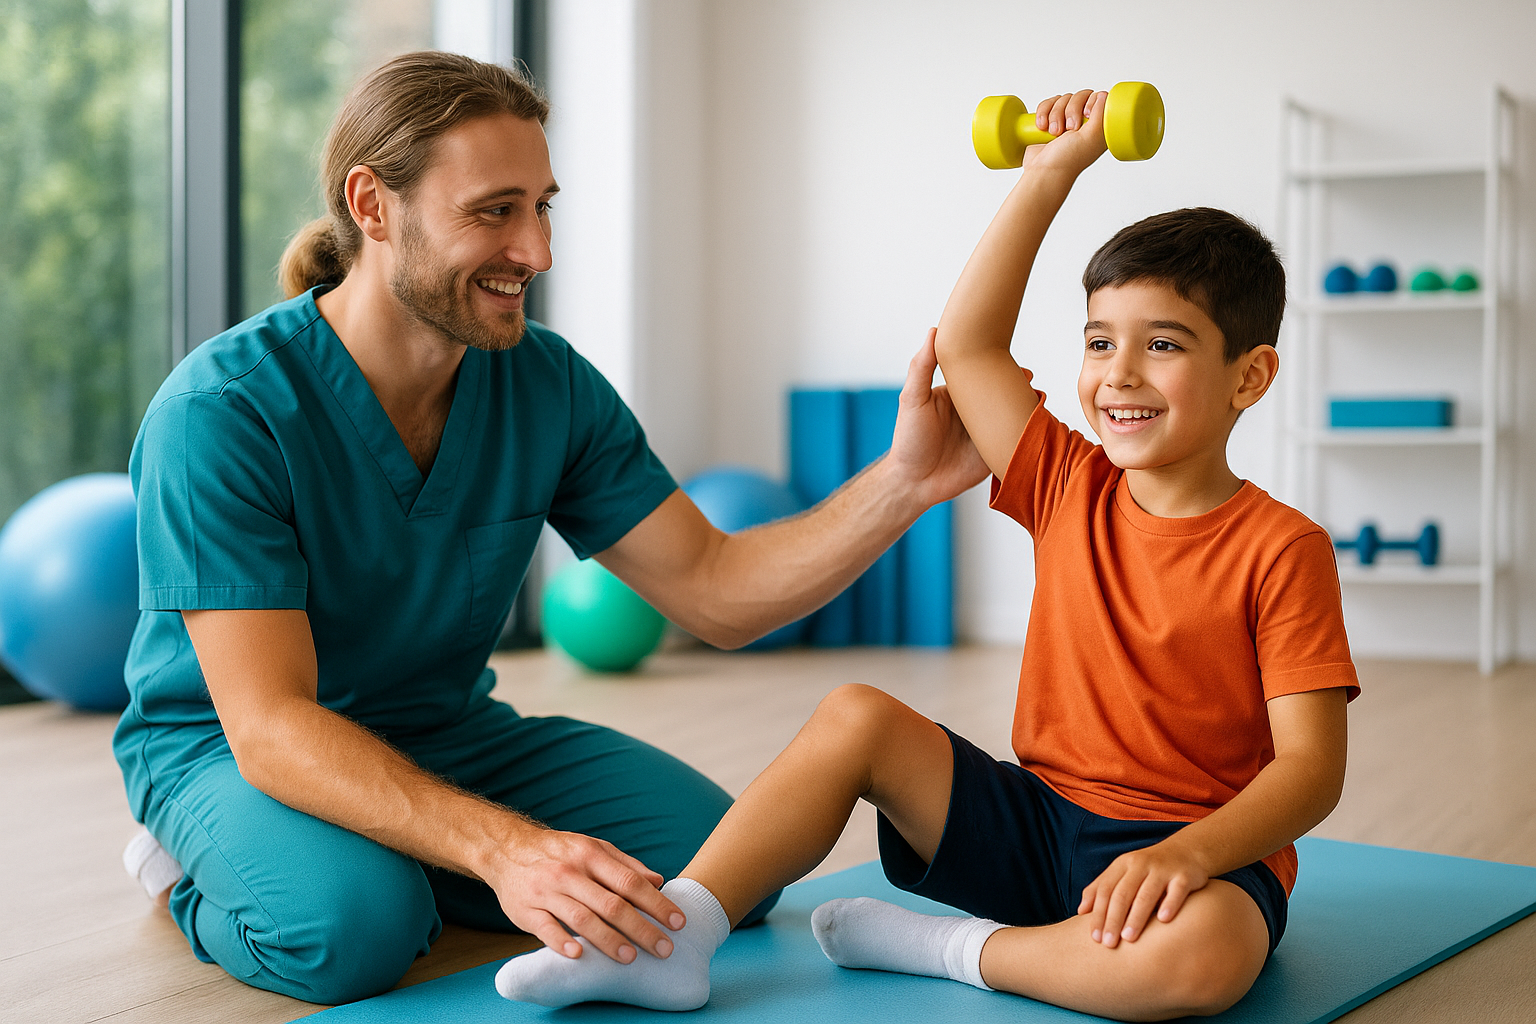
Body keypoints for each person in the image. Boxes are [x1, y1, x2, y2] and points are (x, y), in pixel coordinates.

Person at [113, 51, 987, 1005]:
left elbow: (719, 592)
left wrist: (905, 482)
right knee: (351, 934)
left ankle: (414, 859)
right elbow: (273, 726)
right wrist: (508, 848)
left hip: (443, 735)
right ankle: (191, 865)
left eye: (544, 207)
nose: (538, 252)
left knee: (726, 868)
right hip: (232, 748)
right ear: (372, 206)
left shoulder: (545, 383)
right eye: (494, 211)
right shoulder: (223, 412)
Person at [494, 88, 1359, 1021]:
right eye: (1100, 342)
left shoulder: (1284, 549)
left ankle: (952, 950)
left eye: (1162, 345)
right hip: (1040, 827)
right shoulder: (1068, 480)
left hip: (1189, 861)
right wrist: (1049, 170)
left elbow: (1311, 769)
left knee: (1201, 967)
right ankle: (679, 937)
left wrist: (1189, 854)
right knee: (856, 715)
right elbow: (974, 344)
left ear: (1251, 375)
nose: (1119, 375)